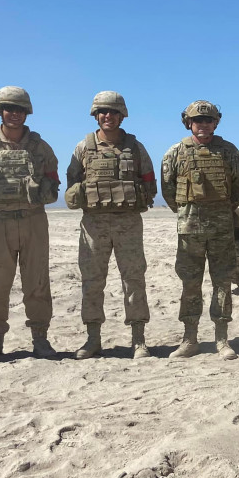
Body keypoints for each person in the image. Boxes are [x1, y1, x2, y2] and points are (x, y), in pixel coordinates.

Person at [0, 86, 60, 361]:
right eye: (9, 109)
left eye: (19, 109)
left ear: (26, 112)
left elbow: (52, 180)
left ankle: (40, 339)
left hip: (33, 222)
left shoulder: (40, 147)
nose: (14, 114)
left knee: (37, 281)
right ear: (0, 111)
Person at [65, 91, 157, 360]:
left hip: (128, 223)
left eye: (113, 112)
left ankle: (138, 340)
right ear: (95, 115)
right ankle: (93, 339)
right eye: (102, 112)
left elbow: (149, 182)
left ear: (122, 115)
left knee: (134, 280)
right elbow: (72, 183)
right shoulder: (83, 148)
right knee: (92, 282)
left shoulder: (135, 148)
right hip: (94, 224)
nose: (108, 116)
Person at [161, 100, 239, 360]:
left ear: (216, 122)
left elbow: (238, 186)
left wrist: (221, 209)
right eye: (198, 120)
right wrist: (188, 211)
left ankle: (222, 339)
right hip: (189, 228)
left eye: (208, 120)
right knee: (190, 283)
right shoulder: (175, 152)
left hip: (221, 226)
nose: (203, 125)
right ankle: (190, 339)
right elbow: (168, 189)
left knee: (222, 282)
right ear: (189, 123)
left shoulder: (229, 151)